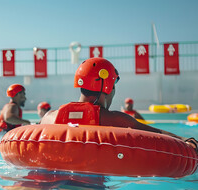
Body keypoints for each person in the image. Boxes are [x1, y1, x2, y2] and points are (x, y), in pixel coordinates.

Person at [41, 57, 198, 151]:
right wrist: (185, 140)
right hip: (90, 183)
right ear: (108, 87)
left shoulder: (51, 116)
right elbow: (157, 134)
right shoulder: (112, 118)